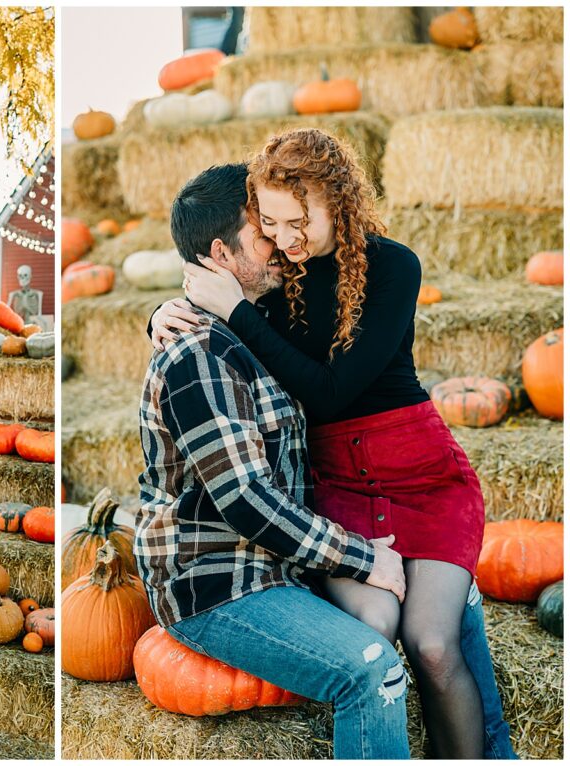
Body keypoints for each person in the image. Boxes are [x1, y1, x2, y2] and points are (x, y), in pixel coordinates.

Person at [151, 131, 514, 759]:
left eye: (296, 222)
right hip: (335, 490)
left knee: (433, 640)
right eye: (268, 224)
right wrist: (166, 312)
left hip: (414, 471)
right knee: (377, 626)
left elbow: (329, 390)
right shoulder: (272, 287)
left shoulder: (389, 267)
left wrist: (229, 308)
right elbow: (209, 345)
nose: (284, 240)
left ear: (336, 203)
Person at [138, 162, 411, 760]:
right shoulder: (197, 356)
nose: (283, 243)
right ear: (222, 252)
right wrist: (363, 558)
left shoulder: (261, 320)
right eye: (263, 232)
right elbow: (246, 502)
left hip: (278, 563)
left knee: (436, 599)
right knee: (372, 670)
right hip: (218, 581)